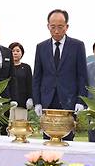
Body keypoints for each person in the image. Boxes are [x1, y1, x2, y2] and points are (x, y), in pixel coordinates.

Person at [32, 9, 88, 141]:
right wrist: (37, 102)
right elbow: (37, 76)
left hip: (69, 101)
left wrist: (81, 101)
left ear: (67, 27)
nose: (56, 31)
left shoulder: (77, 46)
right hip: (48, 101)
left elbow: (82, 76)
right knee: (48, 140)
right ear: (48, 26)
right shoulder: (41, 47)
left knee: (67, 140)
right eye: (53, 27)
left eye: (60, 27)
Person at [8, 42, 33, 109]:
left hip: (23, 102)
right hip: (8, 103)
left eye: (18, 51)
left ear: (22, 53)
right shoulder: (6, 67)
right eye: (13, 51)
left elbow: (30, 84)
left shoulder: (26, 67)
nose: (15, 53)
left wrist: (30, 98)